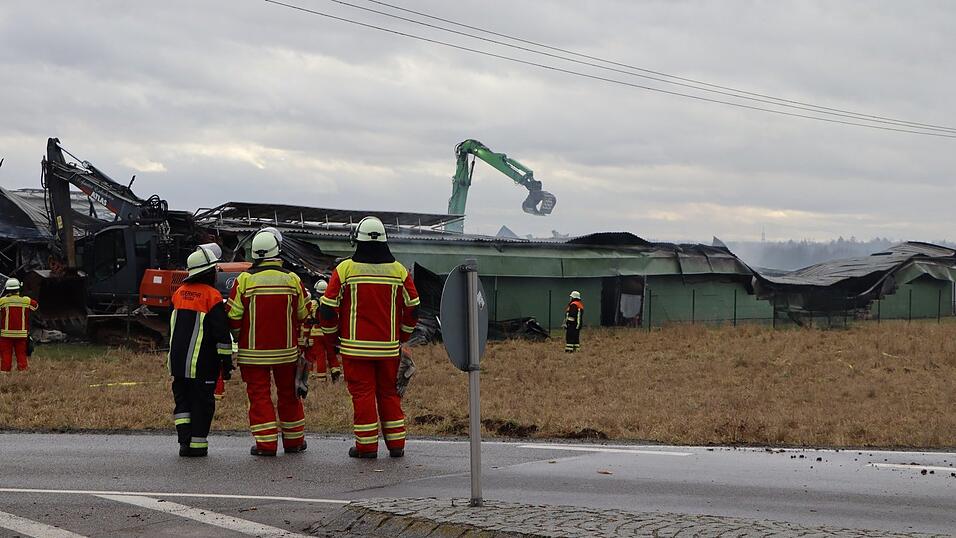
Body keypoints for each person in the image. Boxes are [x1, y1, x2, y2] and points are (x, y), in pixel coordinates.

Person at [320, 216, 419, 459]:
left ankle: (366, 447)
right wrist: (402, 336)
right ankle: (396, 445)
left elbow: (327, 309)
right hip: (388, 348)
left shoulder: (345, 270)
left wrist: (332, 338)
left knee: (363, 395)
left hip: (355, 349)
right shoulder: (399, 271)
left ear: (358, 241)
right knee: (389, 393)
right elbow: (414, 307)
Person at [227, 228, 309, 456]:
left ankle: (266, 445)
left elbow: (233, 317)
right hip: (286, 354)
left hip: (252, 355)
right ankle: (294, 442)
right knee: (289, 395)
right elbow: (304, 313)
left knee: (259, 396)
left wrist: (239, 337)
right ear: (277, 252)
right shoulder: (292, 280)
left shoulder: (244, 281)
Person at [167, 244, 234, 457]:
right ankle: (197, 445)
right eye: (214, 270)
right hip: (202, 365)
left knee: (183, 404)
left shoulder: (179, 293)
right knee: (202, 404)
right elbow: (221, 336)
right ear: (207, 272)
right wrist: (226, 363)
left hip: (177, 364)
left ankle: (184, 443)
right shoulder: (212, 296)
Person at [304, 280, 341, 384]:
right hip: (329, 331)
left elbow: (309, 317)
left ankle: (321, 379)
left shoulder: (314, 302)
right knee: (331, 353)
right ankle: (336, 370)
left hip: (316, 332)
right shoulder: (330, 301)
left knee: (320, 356)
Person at [0, 278, 37, 372]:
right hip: (21, 334)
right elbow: (35, 306)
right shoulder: (26, 300)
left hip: (6, 334)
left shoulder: (2, 301)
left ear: (6, 289)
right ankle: (23, 372)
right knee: (21, 354)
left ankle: (5, 372)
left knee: (6, 354)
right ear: (19, 288)